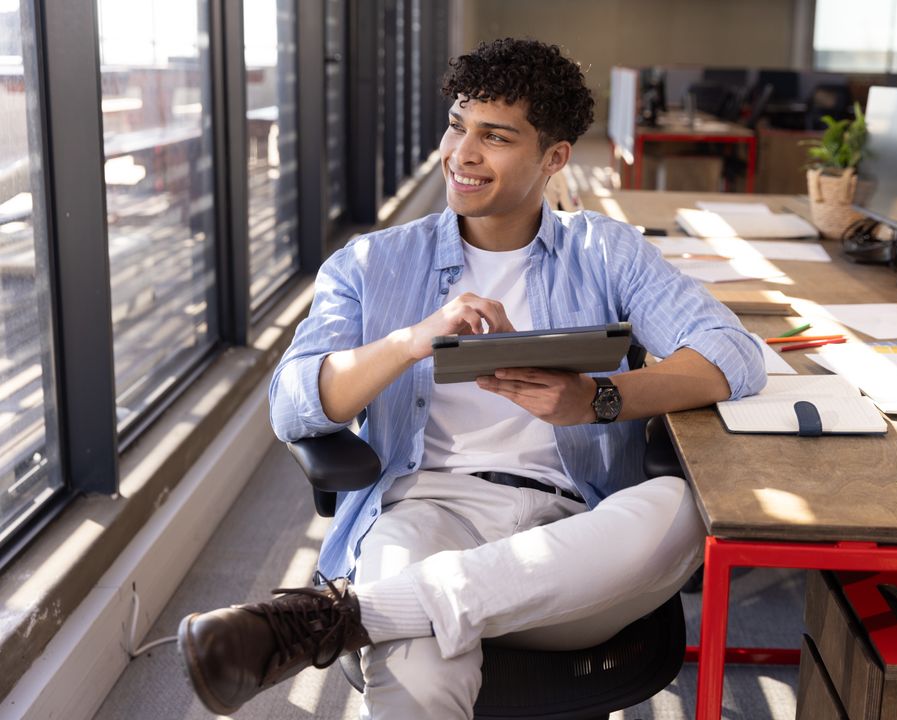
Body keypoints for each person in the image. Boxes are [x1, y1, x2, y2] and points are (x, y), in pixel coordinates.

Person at [177, 37, 766, 719]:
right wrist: (410, 340)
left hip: (575, 539)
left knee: (679, 511)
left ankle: (352, 614)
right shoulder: (370, 263)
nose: (462, 153)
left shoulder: (604, 251)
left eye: (495, 136)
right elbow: (294, 406)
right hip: (423, 513)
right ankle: (385, 610)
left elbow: (734, 352)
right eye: (458, 124)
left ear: (554, 158)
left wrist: (598, 398)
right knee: (419, 683)